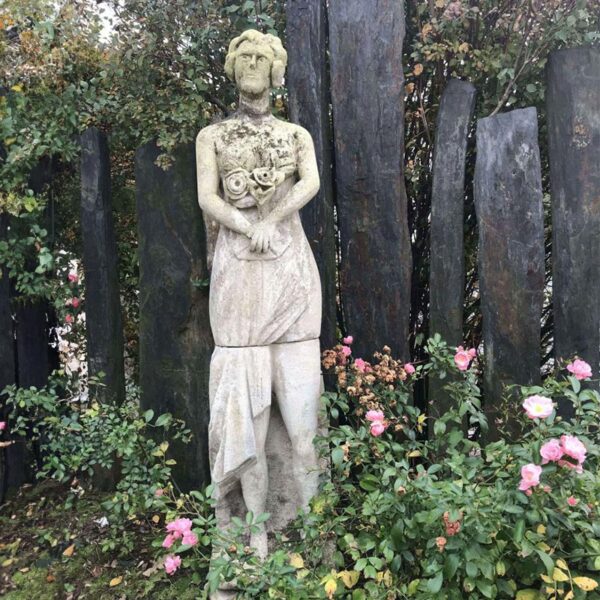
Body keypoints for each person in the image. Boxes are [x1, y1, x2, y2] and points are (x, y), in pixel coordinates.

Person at [195, 29, 322, 558]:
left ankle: (314, 535)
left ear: (276, 70)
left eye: (261, 57)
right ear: (232, 67)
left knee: (302, 424)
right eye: (243, 56)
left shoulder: (295, 135)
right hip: (240, 279)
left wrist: (272, 217)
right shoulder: (214, 136)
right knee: (242, 413)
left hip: (290, 274)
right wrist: (250, 228)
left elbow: (309, 183)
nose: (252, 64)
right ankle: (252, 535)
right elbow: (208, 197)